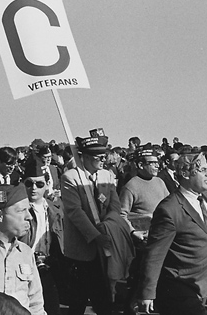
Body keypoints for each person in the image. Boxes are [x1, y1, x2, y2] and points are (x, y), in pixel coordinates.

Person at [137, 152, 207, 315]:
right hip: (177, 286)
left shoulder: (206, 198)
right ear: (185, 173)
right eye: (203, 170)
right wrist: (147, 293)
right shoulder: (169, 209)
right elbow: (154, 254)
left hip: (200, 284)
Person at [60, 129, 122, 315]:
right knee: (78, 302)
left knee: (104, 300)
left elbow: (115, 205)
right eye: (98, 157)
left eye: (104, 157)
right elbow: (75, 212)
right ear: (85, 157)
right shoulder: (70, 178)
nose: (103, 161)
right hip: (82, 249)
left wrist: (109, 226)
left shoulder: (107, 176)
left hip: (105, 247)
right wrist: (96, 236)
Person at [0, 184, 46, 314]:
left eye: (28, 210)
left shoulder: (26, 253)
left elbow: (36, 303)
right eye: (21, 210)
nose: (29, 216)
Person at [119, 146, 170, 314]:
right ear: (140, 165)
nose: (157, 166)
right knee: (139, 279)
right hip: (142, 242)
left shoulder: (160, 182)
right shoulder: (131, 186)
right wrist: (133, 232)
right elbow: (121, 214)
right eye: (152, 163)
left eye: (158, 162)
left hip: (161, 238)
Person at [19, 155, 62, 315]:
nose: (34, 188)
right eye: (29, 183)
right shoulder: (17, 211)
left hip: (49, 266)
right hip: (24, 268)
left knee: (52, 307)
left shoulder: (55, 209)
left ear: (47, 185)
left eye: (39, 184)